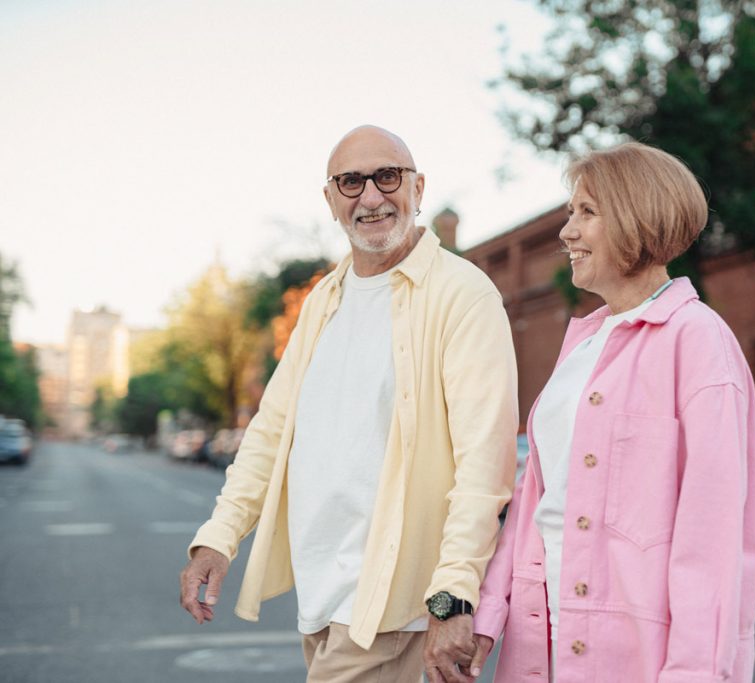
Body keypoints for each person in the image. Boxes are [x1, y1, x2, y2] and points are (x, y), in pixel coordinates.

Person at [179, 125, 519, 683]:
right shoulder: (324, 299)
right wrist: (219, 537)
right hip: (322, 601)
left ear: (417, 187)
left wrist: (453, 597)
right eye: (351, 182)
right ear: (331, 199)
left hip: (394, 611)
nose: (372, 197)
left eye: (388, 177)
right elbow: (271, 431)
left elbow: (485, 466)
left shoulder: (463, 295)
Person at [469, 142, 755, 682]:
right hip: (541, 643)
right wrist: (488, 615)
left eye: (586, 213)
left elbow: (714, 541)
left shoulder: (697, 341)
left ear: (635, 218)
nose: (567, 232)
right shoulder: (582, 343)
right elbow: (537, 499)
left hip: (634, 659)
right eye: (568, 213)